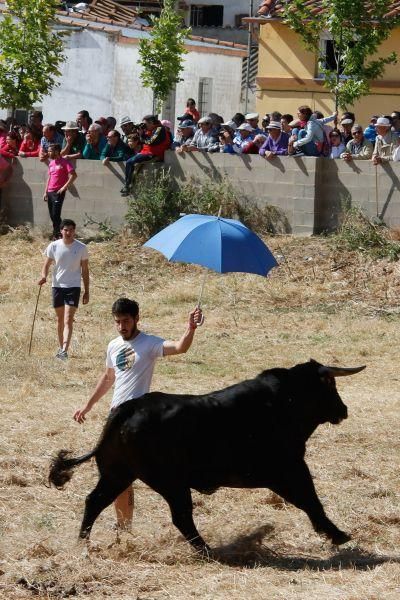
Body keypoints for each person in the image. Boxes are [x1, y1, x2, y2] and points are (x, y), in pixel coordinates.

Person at [73, 297, 203, 531]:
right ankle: (124, 527)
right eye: (118, 322)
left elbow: (180, 347)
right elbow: (108, 377)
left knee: (125, 474)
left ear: (136, 319)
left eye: (126, 321)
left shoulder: (149, 344)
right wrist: (88, 405)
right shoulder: (113, 345)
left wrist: (190, 328)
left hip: (139, 421)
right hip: (115, 418)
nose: (122, 326)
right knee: (116, 476)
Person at [38, 218, 89, 361]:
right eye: (66, 230)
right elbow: (46, 265)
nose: (68, 232)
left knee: (68, 319)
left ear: (74, 231)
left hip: (73, 287)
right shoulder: (53, 246)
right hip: (57, 286)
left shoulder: (81, 248)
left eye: (71, 230)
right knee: (60, 319)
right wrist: (43, 276)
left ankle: (64, 350)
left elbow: (85, 270)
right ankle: (61, 350)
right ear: (61, 231)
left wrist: (87, 290)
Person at [120, 115, 171, 196]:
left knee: (130, 162)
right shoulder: (150, 129)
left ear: (151, 123)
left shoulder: (160, 129)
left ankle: (127, 186)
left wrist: (142, 134)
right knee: (132, 164)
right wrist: (139, 132)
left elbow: (150, 141)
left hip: (154, 154)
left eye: (145, 123)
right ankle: (129, 186)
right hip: (146, 152)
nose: (144, 125)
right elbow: (140, 140)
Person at [43, 144, 77, 239]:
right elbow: (49, 177)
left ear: (57, 151)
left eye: (50, 151)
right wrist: (45, 192)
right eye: (48, 151)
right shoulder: (51, 163)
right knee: (52, 215)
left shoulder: (65, 162)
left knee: (56, 214)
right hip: (50, 192)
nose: (48, 153)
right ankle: (60, 232)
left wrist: (64, 187)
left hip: (58, 192)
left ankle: (57, 234)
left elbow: (74, 175)